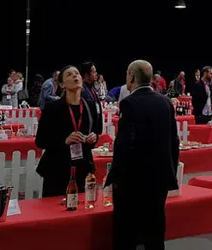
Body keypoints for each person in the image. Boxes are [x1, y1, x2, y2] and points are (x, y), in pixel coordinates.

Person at [108, 60, 178, 250]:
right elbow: (174, 141)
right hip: (159, 180)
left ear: (131, 75)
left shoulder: (129, 103)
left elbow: (124, 145)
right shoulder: (165, 102)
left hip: (134, 182)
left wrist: (116, 178)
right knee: (155, 234)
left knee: (126, 234)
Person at [35, 65, 101, 197]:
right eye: (69, 75)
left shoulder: (91, 105)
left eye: (77, 73)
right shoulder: (52, 108)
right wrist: (64, 141)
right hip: (57, 168)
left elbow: (96, 132)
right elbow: (40, 140)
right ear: (62, 84)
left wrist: (93, 139)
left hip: (83, 167)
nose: (75, 76)